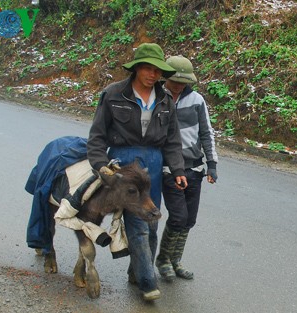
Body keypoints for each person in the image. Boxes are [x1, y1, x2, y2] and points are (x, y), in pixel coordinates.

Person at [87, 43, 188, 301]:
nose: (153, 75)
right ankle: (147, 281)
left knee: (152, 220)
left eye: (157, 70)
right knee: (138, 223)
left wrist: (177, 169)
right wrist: (100, 166)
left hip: (153, 162)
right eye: (148, 68)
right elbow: (97, 137)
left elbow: (173, 141)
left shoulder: (165, 100)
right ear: (136, 68)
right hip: (123, 161)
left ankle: (136, 272)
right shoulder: (112, 94)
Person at [156, 55, 218, 281]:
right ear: (166, 77)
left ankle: (176, 260)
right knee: (178, 216)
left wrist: (211, 165)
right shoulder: (157, 97)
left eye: (184, 81)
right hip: (168, 169)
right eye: (175, 81)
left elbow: (206, 133)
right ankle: (162, 260)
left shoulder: (197, 101)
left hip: (194, 168)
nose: (179, 85)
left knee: (189, 219)